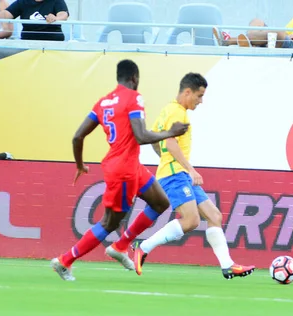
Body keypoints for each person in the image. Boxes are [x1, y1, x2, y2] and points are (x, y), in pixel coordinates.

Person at [50, 60, 190, 281]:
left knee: (161, 202)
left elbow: (78, 136)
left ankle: (121, 245)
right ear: (134, 78)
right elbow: (141, 136)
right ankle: (64, 261)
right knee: (109, 223)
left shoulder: (104, 102)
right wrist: (169, 132)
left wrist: (80, 165)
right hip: (123, 171)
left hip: (129, 164)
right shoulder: (134, 98)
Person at [111, 73, 255, 280]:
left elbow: (154, 138)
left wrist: (165, 159)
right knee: (191, 220)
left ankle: (228, 265)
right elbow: (170, 142)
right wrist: (189, 168)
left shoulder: (169, 110)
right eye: (199, 96)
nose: (201, 101)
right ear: (187, 92)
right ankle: (143, 247)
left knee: (214, 216)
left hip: (178, 173)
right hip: (175, 175)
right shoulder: (178, 113)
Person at [214, 0, 293, 49]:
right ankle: (252, 42)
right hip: (285, 41)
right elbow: (286, 33)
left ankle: (229, 41)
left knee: (276, 33)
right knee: (256, 22)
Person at [0, 0, 69, 41]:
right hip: (28, 44)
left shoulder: (56, 1)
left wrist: (55, 18)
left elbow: (63, 14)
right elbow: (6, 14)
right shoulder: (23, 2)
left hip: (52, 43)